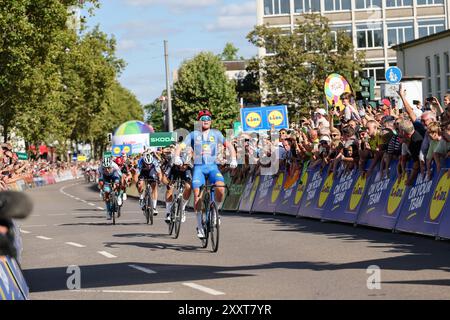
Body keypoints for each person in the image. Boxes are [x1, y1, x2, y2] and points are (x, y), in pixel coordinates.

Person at [174, 109, 237, 239]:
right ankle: (199, 226)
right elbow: (181, 146)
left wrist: (234, 158)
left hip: (213, 167)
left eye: (208, 118)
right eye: (203, 119)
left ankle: (215, 213)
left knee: (220, 187)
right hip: (199, 168)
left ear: (211, 121)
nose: (206, 120)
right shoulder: (193, 134)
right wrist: (176, 156)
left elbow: (230, 146)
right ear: (199, 121)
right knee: (197, 195)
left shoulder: (217, 133)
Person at [163, 140, 193, 224]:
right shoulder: (173, 162)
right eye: (182, 165)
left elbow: (194, 177)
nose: (183, 167)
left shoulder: (189, 165)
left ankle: (182, 208)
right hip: (175, 171)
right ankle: (168, 212)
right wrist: (168, 184)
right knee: (170, 188)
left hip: (185, 173)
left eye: (185, 165)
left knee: (188, 187)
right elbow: (164, 178)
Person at [136, 151, 161, 215]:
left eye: (150, 164)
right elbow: (137, 174)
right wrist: (137, 182)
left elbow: (159, 172)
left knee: (154, 186)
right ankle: (141, 197)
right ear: (144, 162)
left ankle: (154, 207)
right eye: (147, 164)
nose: (149, 165)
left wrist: (159, 180)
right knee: (140, 185)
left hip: (151, 172)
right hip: (143, 172)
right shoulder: (140, 162)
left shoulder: (154, 161)